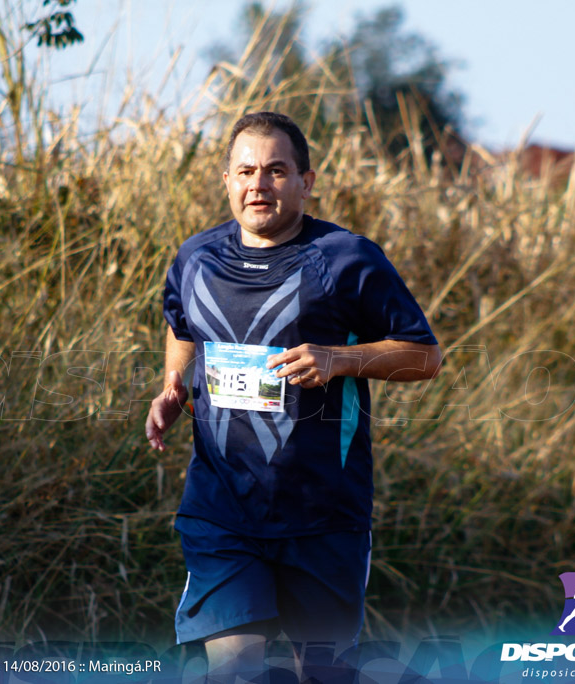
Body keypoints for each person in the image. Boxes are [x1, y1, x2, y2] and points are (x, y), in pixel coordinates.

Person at [145, 112, 442, 682]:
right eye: (246, 171)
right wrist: (171, 389)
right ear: (227, 180)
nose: (259, 184)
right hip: (222, 508)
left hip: (324, 513)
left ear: (307, 180)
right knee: (234, 672)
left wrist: (338, 359)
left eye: (277, 171)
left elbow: (424, 356)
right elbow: (183, 328)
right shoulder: (194, 258)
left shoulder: (348, 258)